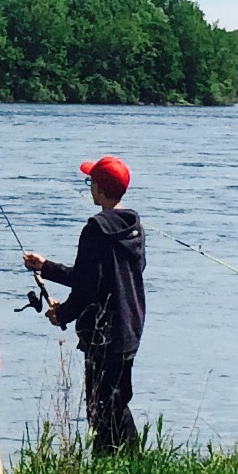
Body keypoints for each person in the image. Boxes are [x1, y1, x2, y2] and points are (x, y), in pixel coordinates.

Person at [27, 155, 148, 454]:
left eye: (91, 182)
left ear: (99, 187)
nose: (89, 187)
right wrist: (47, 267)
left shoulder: (94, 229)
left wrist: (62, 314)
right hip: (130, 327)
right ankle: (129, 464)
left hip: (103, 334)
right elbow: (99, 278)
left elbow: (87, 287)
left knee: (102, 409)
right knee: (117, 401)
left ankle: (120, 463)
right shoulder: (134, 226)